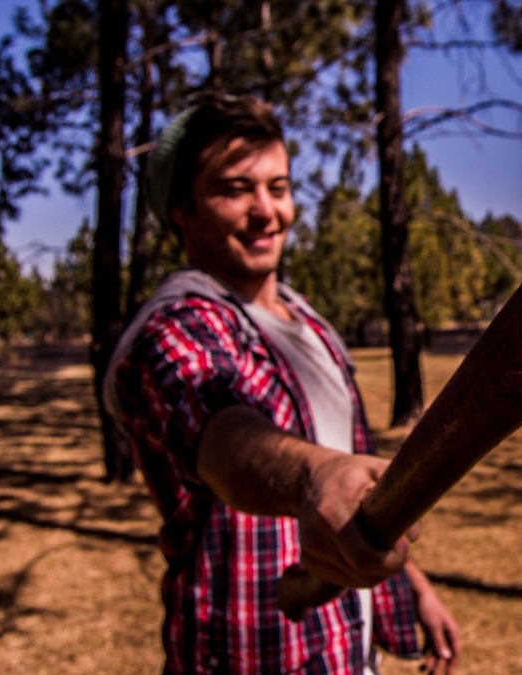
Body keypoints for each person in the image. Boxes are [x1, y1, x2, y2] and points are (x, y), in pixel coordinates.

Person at [104, 92, 458, 675]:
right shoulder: (175, 328)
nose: (267, 211)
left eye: (279, 186)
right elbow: (220, 432)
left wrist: (412, 583)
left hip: (346, 650)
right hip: (252, 655)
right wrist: (310, 474)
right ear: (181, 212)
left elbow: (352, 484)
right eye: (234, 189)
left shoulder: (308, 322)